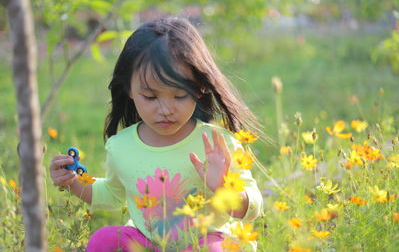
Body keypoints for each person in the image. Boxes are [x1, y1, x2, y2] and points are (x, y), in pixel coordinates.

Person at [50, 17, 263, 252]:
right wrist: (74, 183)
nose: (165, 109)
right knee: (104, 239)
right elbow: (111, 194)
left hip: (206, 241)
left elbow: (254, 208)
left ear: (200, 87)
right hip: (150, 244)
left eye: (179, 95)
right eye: (150, 97)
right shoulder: (121, 146)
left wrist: (224, 189)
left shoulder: (217, 144)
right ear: (129, 89)